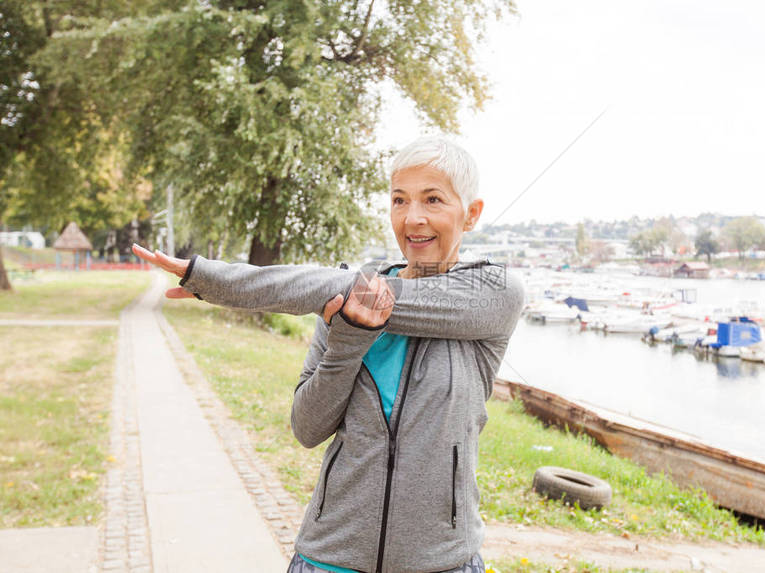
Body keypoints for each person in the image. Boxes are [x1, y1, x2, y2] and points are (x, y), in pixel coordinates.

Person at [133, 136, 524, 573]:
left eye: (433, 200)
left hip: (441, 562)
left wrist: (215, 281)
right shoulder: (343, 308)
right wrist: (349, 339)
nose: (413, 218)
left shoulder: (493, 294)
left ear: (471, 214)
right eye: (399, 200)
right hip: (329, 557)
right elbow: (307, 428)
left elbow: (332, 285)